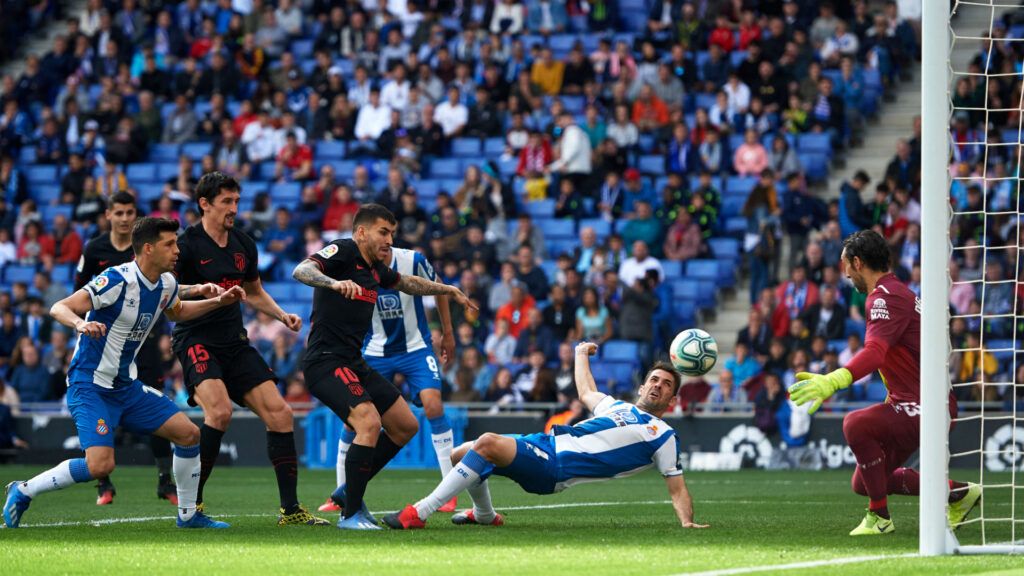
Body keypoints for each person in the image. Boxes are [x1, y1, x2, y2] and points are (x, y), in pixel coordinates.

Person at [4, 217, 246, 529]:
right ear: (148, 249)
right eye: (169, 244)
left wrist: (216, 301)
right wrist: (80, 324)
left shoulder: (166, 283)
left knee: (189, 434)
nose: (177, 251)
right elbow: (60, 307)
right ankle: (23, 490)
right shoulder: (117, 280)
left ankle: (188, 516)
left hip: (125, 386)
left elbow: (178, 311)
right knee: (100, 465)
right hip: (89, 385)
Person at [382, 341, 708, 530]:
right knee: (459, 454)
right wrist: (581, 353)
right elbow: (586, 390)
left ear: (672, 400)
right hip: (545, 443)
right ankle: (484, 515)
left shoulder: (663, 435)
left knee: (486, 444)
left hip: (555, 469)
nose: (657, 385)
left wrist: (687, 522)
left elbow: (676, 487)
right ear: (642, 385)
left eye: (666, 385)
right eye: (654, 379)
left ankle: (419, 513)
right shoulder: (616, 407)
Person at [291, 203, 475, 529]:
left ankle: (348, 491)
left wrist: (448, 289)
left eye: (392, 233)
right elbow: (301, 270)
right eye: (383, 232)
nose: (389, 239)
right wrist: (332, 283)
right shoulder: (344, 252)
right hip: (325, 362)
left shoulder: (376, 269)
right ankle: (350, 514)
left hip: (353, 362)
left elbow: (407, 283)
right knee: (368, 423)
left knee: (405, 425)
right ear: (361, 232)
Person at [788, 230, 980, 536]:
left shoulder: (884, 298)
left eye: (846, 266)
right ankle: (959, 493)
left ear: (858, 262)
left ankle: (879, 517)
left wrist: (834, 380)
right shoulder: (896, 292)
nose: (846, 274)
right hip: (921, 400)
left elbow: (875, 353)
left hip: (926, 405)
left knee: (855, 424)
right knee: (864, 481)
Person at [172, 172, 327, 527]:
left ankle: (291, 511)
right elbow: (168, 294)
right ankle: (191, 508)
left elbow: (254, 291)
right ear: (204, 204)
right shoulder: (187, 245)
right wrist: (202, 291)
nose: (234, 209)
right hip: (196, 338)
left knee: (281, 413)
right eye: (226, 202)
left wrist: (281, 315)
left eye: (237, 201)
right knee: (220, 412)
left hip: (234, 342)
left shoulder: (244, 244)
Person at [318, 246, 459, 514]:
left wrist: (448, 333)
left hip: (415, 347)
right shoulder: (356, 264)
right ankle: (340, 495)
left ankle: (449, 492)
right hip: (374, 350)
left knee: (433, 405)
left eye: (387, 233)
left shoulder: (413, 260)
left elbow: (438, 287)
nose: (384, 240)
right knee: (353, 418)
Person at [73, 191, 177, 506]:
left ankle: (164, 479)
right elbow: (79, 293)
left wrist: (163, 332)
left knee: (158, 405)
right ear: (109, 215)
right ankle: (102, 481)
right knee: (100, 407)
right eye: (118, 213)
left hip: (143, 340)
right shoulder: (95, 249)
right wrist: (80, 328)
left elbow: (163, 293)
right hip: (104, 341)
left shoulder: (151, 251)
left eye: (130, 212)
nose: (124, 218)